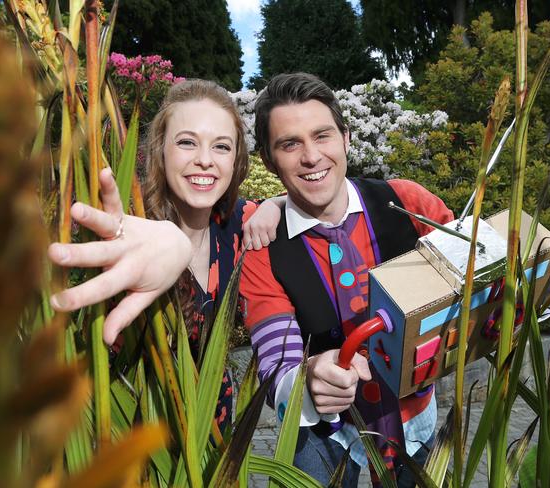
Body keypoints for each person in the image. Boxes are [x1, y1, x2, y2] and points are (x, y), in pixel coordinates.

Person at [238, 72, 453, 487]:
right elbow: (275, 356)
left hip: (416, 420)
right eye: (290, 144)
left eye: (323, 136)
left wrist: (543, 272)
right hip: (322, 438)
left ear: (346, 137)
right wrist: (305, 378)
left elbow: (476, 269)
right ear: (268, 160)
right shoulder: (263, 244)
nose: (312, 156)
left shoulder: (407, 203)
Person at [51, 78, 282, 432]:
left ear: (236, 160)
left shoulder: (237, 224)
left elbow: (316, 195)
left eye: (221, 147)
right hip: (135, 436)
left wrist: (276, 205)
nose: (205, 160)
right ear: (160, 150)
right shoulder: (128, 231)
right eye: (187, 142)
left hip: (213, 430)